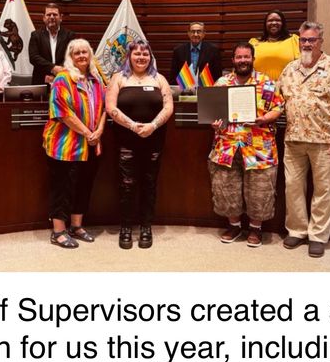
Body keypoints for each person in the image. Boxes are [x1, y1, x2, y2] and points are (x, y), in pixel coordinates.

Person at [277, 21, 330, 258]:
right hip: (293, 139)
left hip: (325, 140)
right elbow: (276, 100)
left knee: (324, 190)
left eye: (312, 40)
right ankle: (297, 230)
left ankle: (318, 235)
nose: (307, 44)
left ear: (321, 41)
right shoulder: (289, 69)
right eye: (303, 40)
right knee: (293, 187)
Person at [209, 43, 284, 247]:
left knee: (259, 189)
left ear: (253, 59)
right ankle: (234, 226)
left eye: (246, 57)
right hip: (227, 144)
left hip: (259, 145)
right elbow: (213, 113)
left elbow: (278, 107)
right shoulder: (222, 83)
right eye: (239, 57)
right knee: (227, 187)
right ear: (233, 60)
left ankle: (255, 229)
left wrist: (265, 119)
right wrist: (215, 122)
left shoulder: (266, 82)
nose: (243, 60)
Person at [106, 41, 174, 249]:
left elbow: (168, 106)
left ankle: (146, 227)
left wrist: (152, 126)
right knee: (127, 185)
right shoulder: (118, 78)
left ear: (150, 56)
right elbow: (110, 107)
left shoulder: (159, 79)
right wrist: (134, 126)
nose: (141, 57)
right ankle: (126, 227)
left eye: (145, 53)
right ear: (129, 56)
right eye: (137, 53)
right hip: (126, 140)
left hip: (153, 140)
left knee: (149, 184)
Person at [42, 39, 106, 249]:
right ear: (70, 57)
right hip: (65, 144)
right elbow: (63, 113)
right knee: (62, 187)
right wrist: (89, 133)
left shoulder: (96, 79)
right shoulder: (63, 79)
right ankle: (58, 231)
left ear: (90, 55)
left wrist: (99, 131)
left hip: (91, 143)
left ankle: (77, 227)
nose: (81, 56)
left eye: (85, 52)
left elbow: (105, 107)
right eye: (76, 53)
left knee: (83, 185)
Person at [29, 4, 75, 86]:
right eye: (49, 14)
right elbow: (34, 57)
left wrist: (59, 72)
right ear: (44, 17)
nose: (52, 17)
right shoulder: (36, 35)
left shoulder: (69, 35)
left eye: (55, 14)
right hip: (41, 80)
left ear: (61, 17)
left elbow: (71, 56)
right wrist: (52, 68)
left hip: (64, 78)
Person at [250, 10, 300, 80]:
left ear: (283, 23)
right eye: (270, 20)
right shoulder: (254, 42)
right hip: (260, 88)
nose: (274, 23)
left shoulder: (294, 40)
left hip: (287, 88)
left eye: (278, 20)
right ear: (265, 24)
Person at [169, 22, 222, 87]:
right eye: (193, 31)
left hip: (206, 91)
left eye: (199, 31)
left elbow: (218, 77)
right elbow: (173, 77)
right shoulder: (178, 51)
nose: (195, 34)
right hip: (184, 91)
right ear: (188, 33)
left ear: (204, 34)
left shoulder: (213, 51)